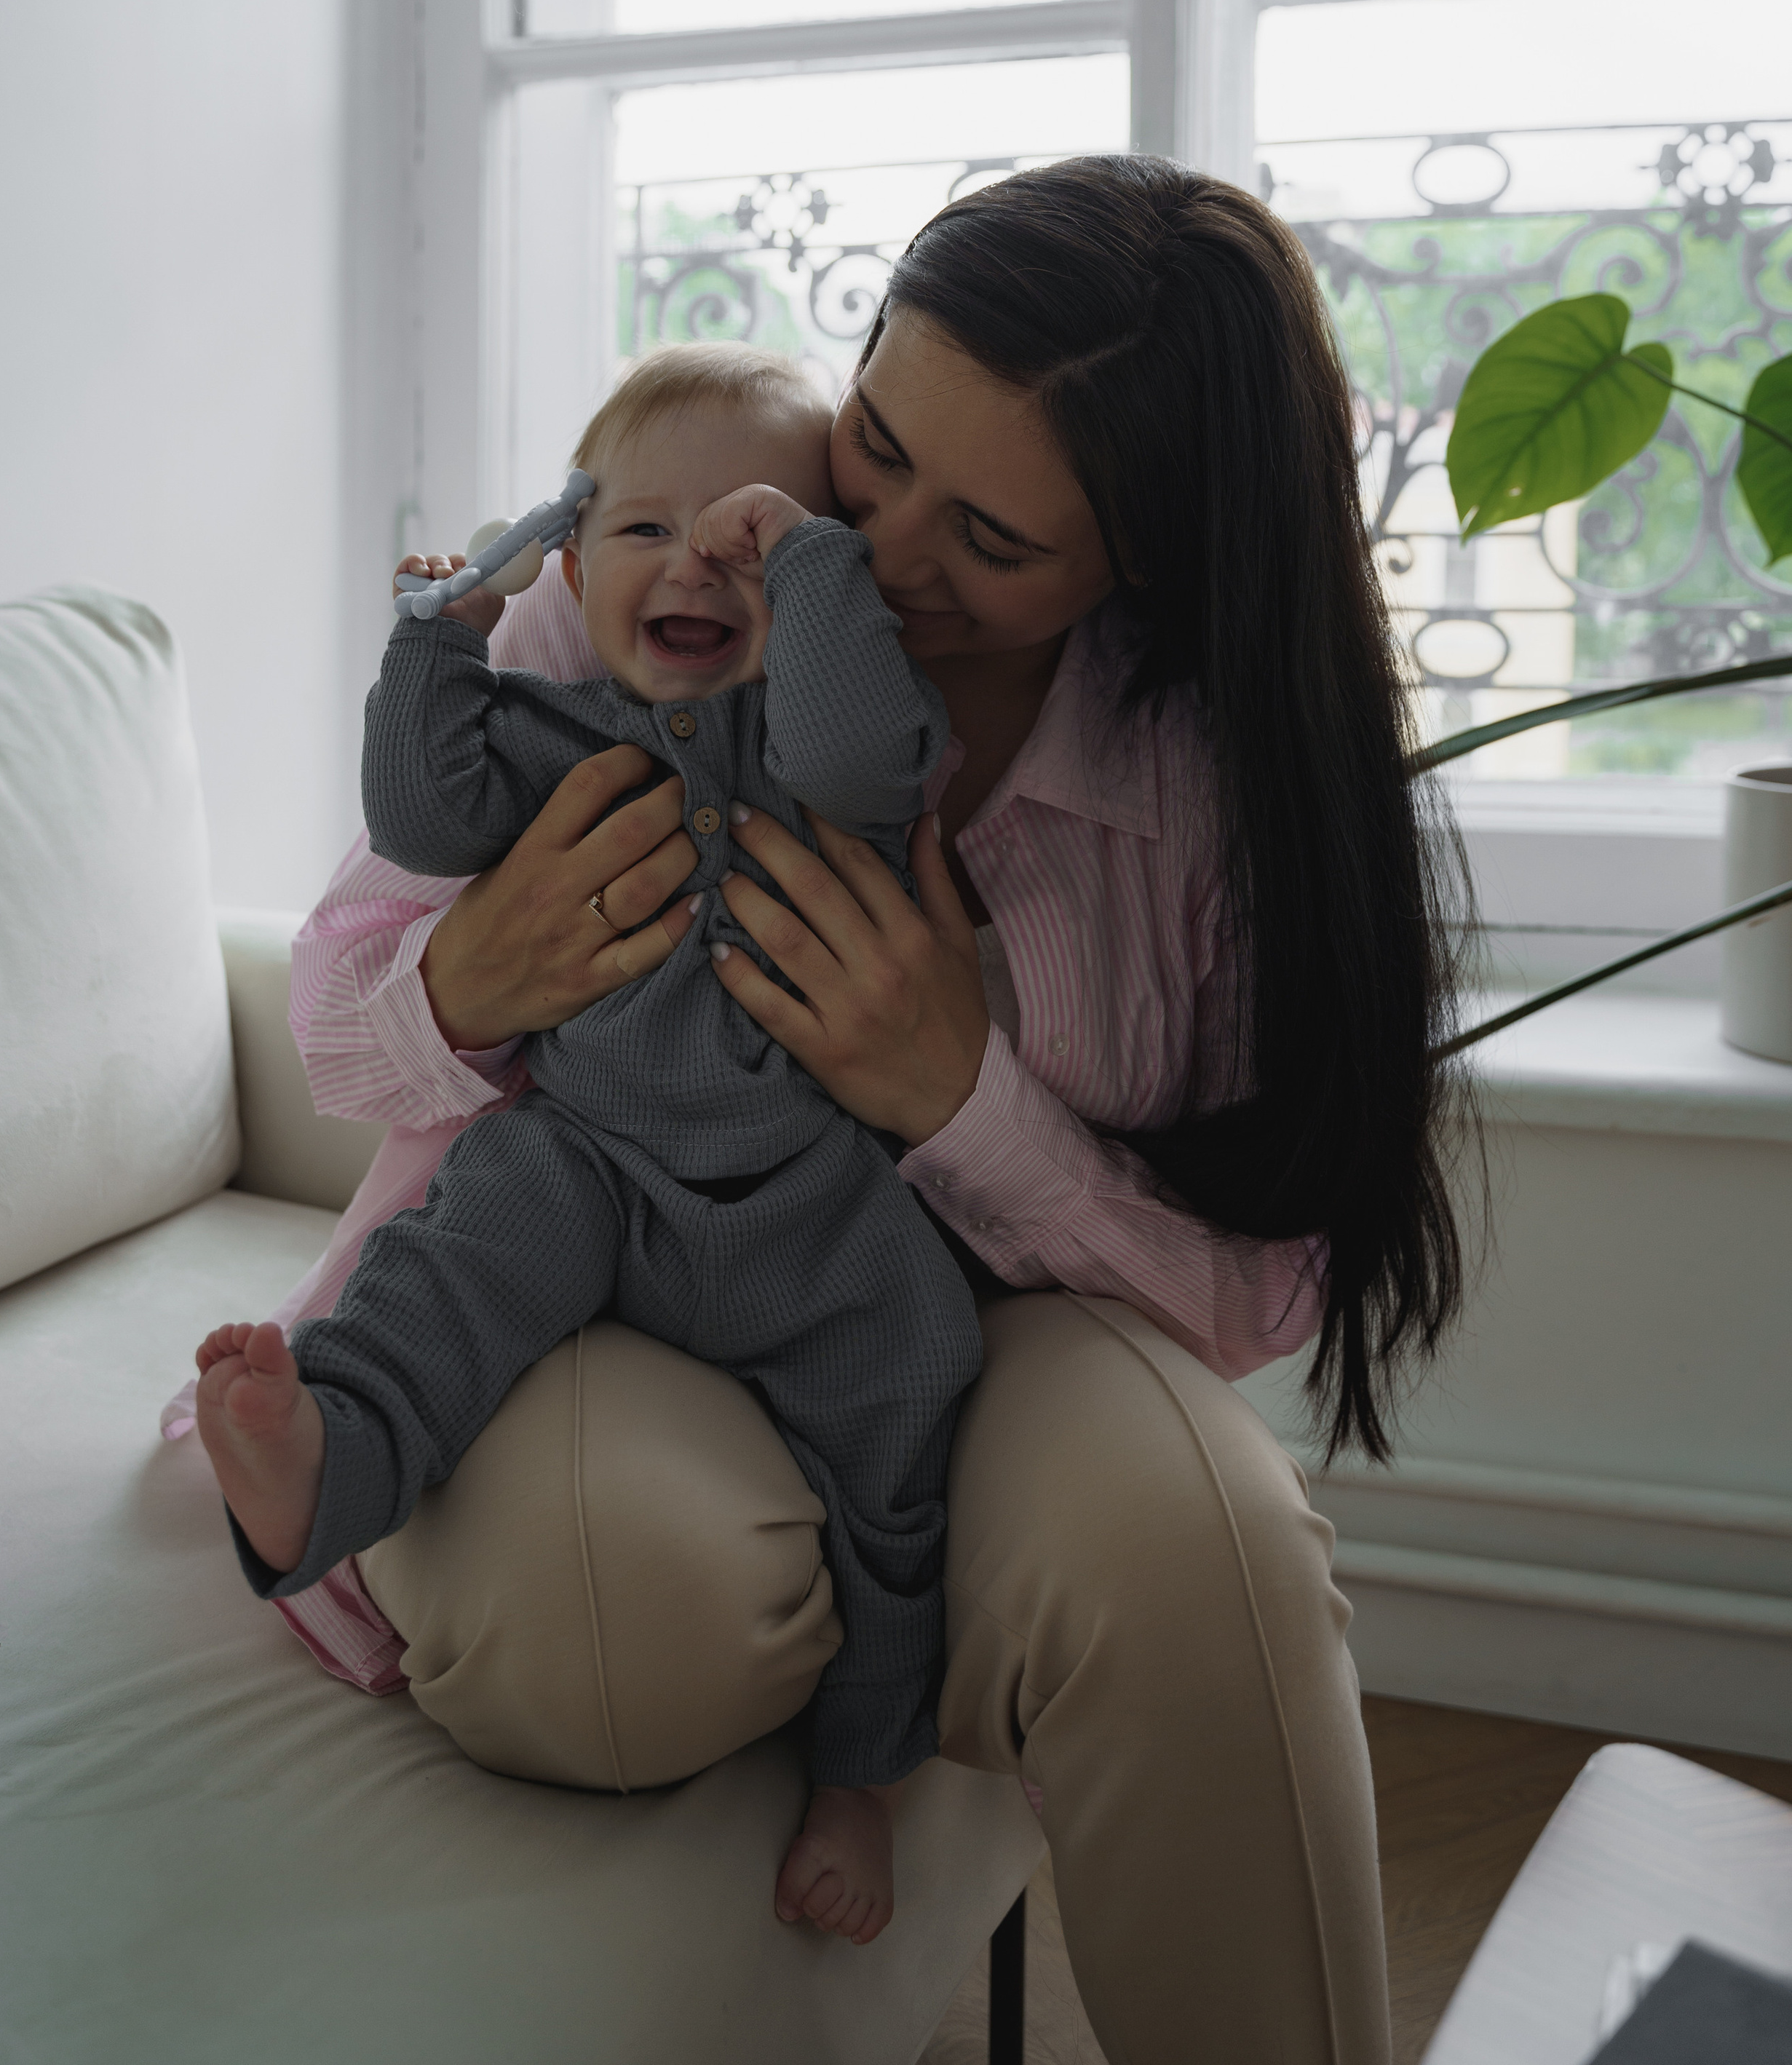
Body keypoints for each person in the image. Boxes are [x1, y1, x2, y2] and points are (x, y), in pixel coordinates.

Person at [185, 158, 1471, 2064]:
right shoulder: (649, 585)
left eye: (993, 538)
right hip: (596, 1264)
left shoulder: (1203, 786)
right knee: (619, 1605)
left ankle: (912, 1658)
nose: (881, 541)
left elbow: (1247, 1296)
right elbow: (329, 1034)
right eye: (879, 441)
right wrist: (478, 978)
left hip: (951, 1317)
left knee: (1207, 1561)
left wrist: (958, 1097)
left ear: (1146, 560)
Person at [194, 343, 982, 1943]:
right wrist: (439, 638)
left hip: (807, 1207)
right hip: (592, 1172)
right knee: (448, 1263)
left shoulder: (825, 755)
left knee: (909, 1391)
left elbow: (864, 747)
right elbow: (423, 816)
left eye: (747, 536)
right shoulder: (556, 730)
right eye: (641, 531)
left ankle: (863, 1768)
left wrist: (813, 571)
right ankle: (325, 1459)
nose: (693, 563)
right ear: (567, 563)